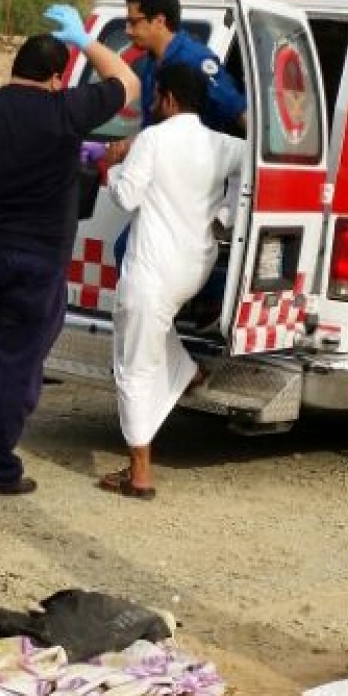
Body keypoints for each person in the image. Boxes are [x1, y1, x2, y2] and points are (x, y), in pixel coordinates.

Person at [0, 5, 140, 496]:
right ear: (58, 76)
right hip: (37, 261)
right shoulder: (68, 109)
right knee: (15, 362)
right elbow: (127, 81)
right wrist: (86, 40)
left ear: (15, 67)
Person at [100, 61, 246, 500]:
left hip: (152, 270)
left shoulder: (153, 139)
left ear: (167, 98)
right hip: (193, 268)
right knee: (152, 330)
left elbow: (127, 197)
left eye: (154, 93)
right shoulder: (224, 144)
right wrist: (226, 215)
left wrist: (111, 166)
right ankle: (187, 370)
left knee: (131, 365)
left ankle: (139, 473)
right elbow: (251, 168)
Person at [105, 0, 247, 268]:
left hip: (192, 178)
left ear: (159, 21)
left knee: (146, 257)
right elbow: (155, 124)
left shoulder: (196, 61)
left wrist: (264, 165)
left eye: (134, 22)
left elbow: (239, 111)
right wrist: (130, 145)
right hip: (160, 174)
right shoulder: (150, 65)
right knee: (130, 252)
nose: (128, 31)